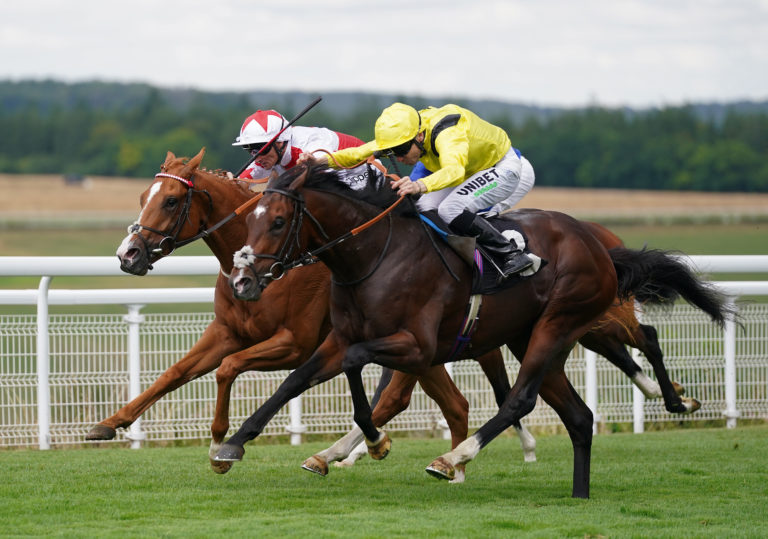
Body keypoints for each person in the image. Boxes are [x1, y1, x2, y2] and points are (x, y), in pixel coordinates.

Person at [304, 103, 534, 277]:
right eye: (392, 152)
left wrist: (419, 184)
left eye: (402, 150)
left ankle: (512, 254)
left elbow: (454, 171)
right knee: (423, 207)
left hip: (503, 167)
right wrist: (320, 162)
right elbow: (357, 153)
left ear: (420, 135)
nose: (400, 157)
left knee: (450, 210)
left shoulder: (447, 133)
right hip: (471, 170)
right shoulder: (402, 134)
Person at [232, 109, 377, 190]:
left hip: (364, 170)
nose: (257, 158)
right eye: (250, 150)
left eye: (261, 149)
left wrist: (314, 162)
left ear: (280, 142)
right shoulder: (268, 154)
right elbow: (243, 181)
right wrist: (232, 183)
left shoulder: (309, 144)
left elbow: (328, 185)